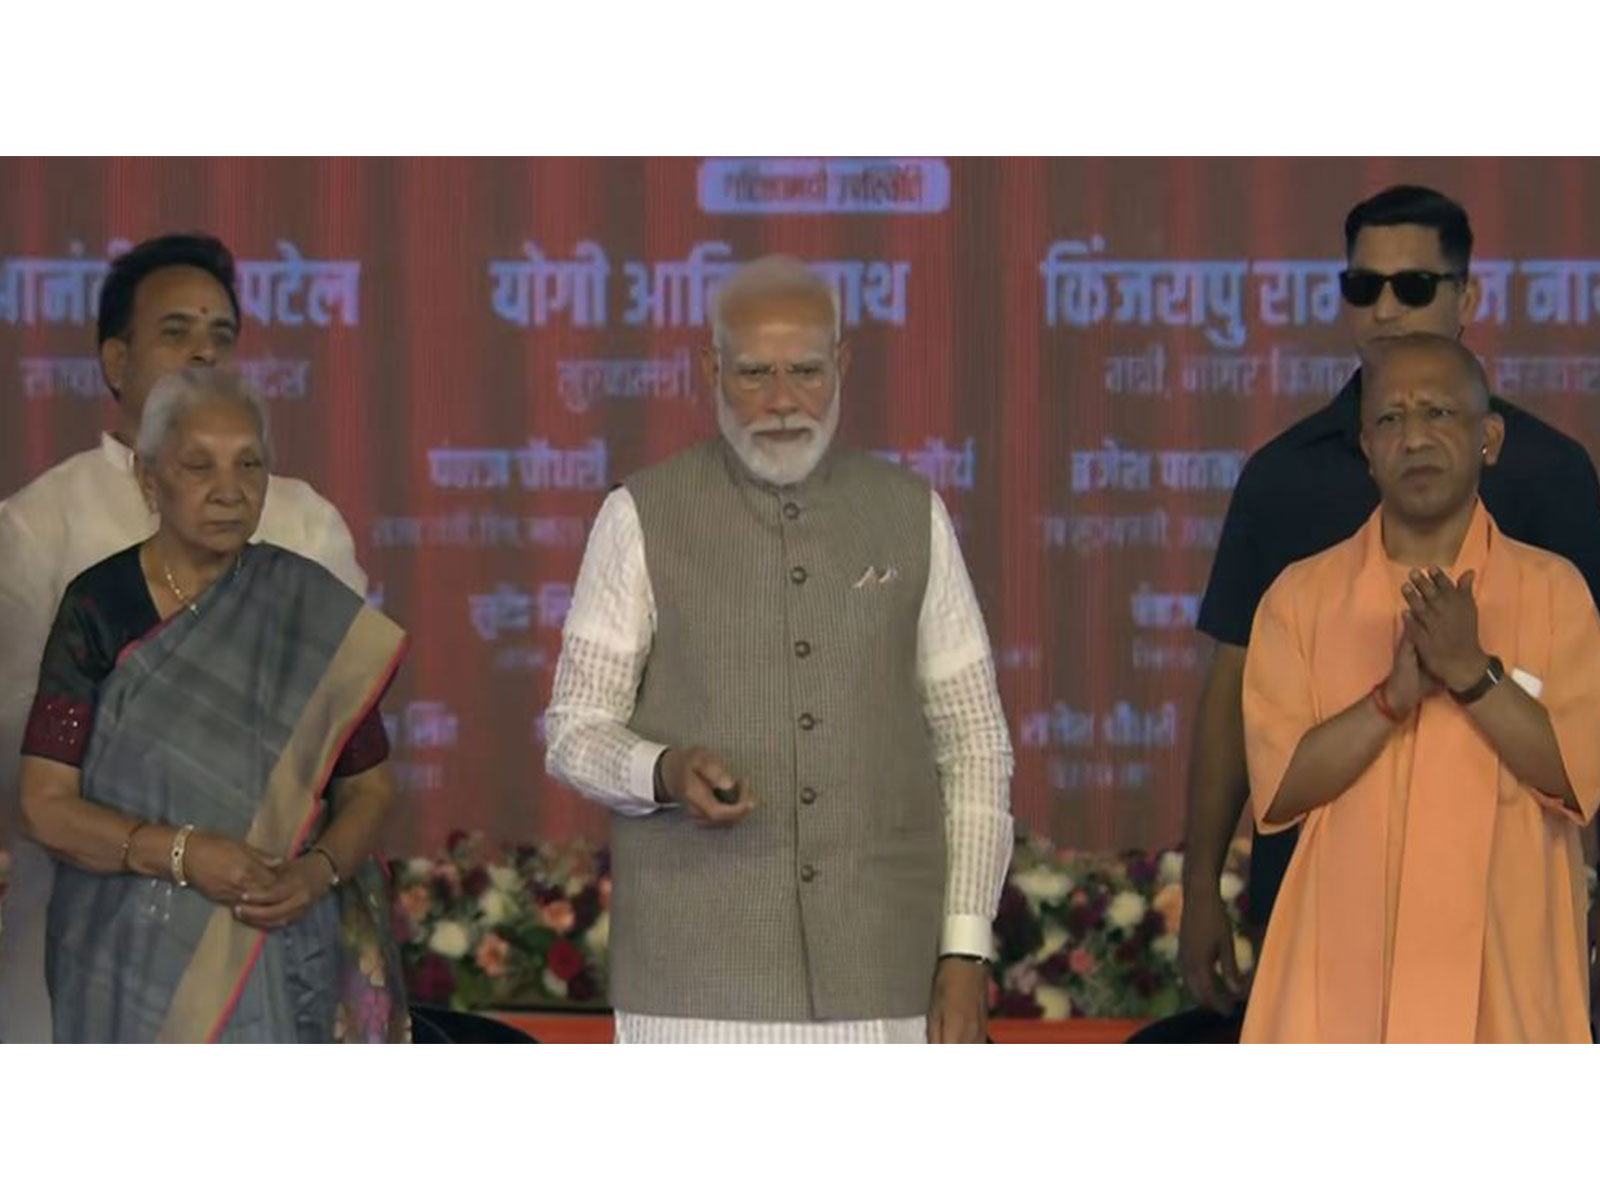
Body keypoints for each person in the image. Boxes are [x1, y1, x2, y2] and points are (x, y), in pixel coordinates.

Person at [544, 255, 1014, 1043]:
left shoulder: (912, 514)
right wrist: (662, 770)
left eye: (806, 371)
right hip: (692, 987)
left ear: (843, 364)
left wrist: (965, 951)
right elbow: (573, 729)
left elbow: (974, 743)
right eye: (755, 373)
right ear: (709, 369)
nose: (784, 400)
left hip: (883, 974)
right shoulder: (639, 516)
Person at [1179, 185, 1600, 1021]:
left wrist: (1473, 674)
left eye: (1412, 286)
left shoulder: (1552, 487)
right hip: (1331, 927)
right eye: (1363, 286)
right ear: (1369, 449)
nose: (1386, 309)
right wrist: (1199, 888)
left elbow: (1582, 750)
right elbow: (1233, 697)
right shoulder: (1284, 480)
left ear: (1466, 299)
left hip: (1506, 942)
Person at [0, 232, 366, 1042]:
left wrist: (306, 864)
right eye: (176, 333)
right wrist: (170, 838)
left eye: (220, 335)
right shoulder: (38, 526)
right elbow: (16, 746)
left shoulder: (303, 522)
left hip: (268, 925)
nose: (203, 352)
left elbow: (349, 742)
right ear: (115, 361)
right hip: (91, 926)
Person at [1240, 334, 1600, 1042]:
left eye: (1438, 413)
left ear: (1488, 438)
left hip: (1509, 991)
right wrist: (1389, 701)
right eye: (1391, 419)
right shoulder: (1300, 597)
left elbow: (1577, 774)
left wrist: (1472, 674)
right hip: (1342, 993)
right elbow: (1278, 790)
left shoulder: (1553, 591)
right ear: (1368, 451)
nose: (1414, 438)